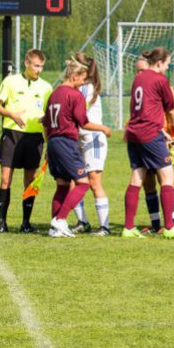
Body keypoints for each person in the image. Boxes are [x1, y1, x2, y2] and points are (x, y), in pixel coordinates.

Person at [121, 47, 174, 239]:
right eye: (167, 63)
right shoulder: (160, 80)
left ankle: (128, 227)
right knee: (168, 176)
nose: (168, 67)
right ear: (159, 62)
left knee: (137, 178)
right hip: (150, 134)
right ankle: (169, 227)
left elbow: (141, 110)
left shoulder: (138, 79)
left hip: (134, 132)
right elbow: (170, 108)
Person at [44, 57, 112, 238]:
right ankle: (60, 219)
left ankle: (54, 229)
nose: (83, 83)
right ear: (74, 76)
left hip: (52, 143)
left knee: (62, 186)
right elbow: (84, 123)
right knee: (83, 183)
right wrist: (103, 128)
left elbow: (45, 122)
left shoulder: (54, 92)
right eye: (82, 79)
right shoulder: (74, 95)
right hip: (66, 143)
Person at [0, 49, 53, 234]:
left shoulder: (46, 87)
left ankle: (26, 223)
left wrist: (49, 142)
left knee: (30, 180)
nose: (39, 70)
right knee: (5, 179)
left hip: (34, 139)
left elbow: (48, 118)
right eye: (36, 65)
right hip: (12, 134)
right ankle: (1, 222)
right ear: (27, 62)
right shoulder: (10, 81)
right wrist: (11, 114)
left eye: (41, 66)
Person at [69, 53, 111, 235]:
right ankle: (82, 221)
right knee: (75, 181)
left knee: (94, 182)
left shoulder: (86, 88)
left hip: (92, 138)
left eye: (72, 62)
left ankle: (105, 227)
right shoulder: (78, 87)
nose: (69, 64)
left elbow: (78, 115)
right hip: (80, 138)